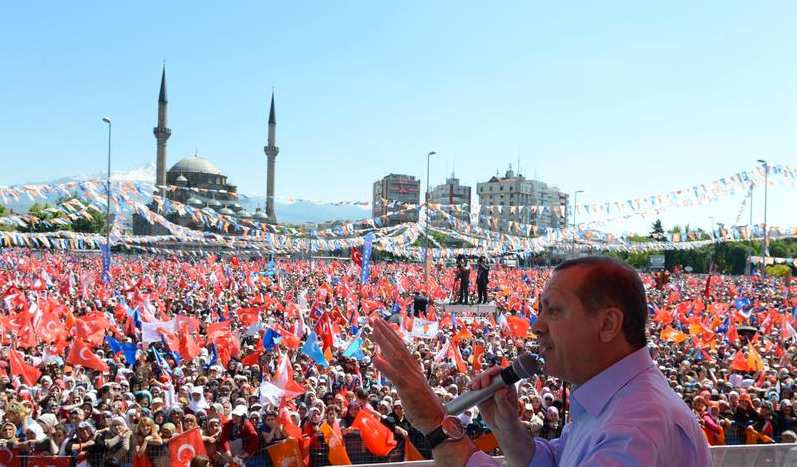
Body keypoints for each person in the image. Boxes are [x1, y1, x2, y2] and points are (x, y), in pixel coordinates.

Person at [372, 256, 712, 466]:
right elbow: (558, 460)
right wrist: (506, 428)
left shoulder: (634, 429)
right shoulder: (612, 403)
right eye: (539, 310)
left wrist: (437, 424)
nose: (537, 326)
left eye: (554, 311)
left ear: (608, 325)